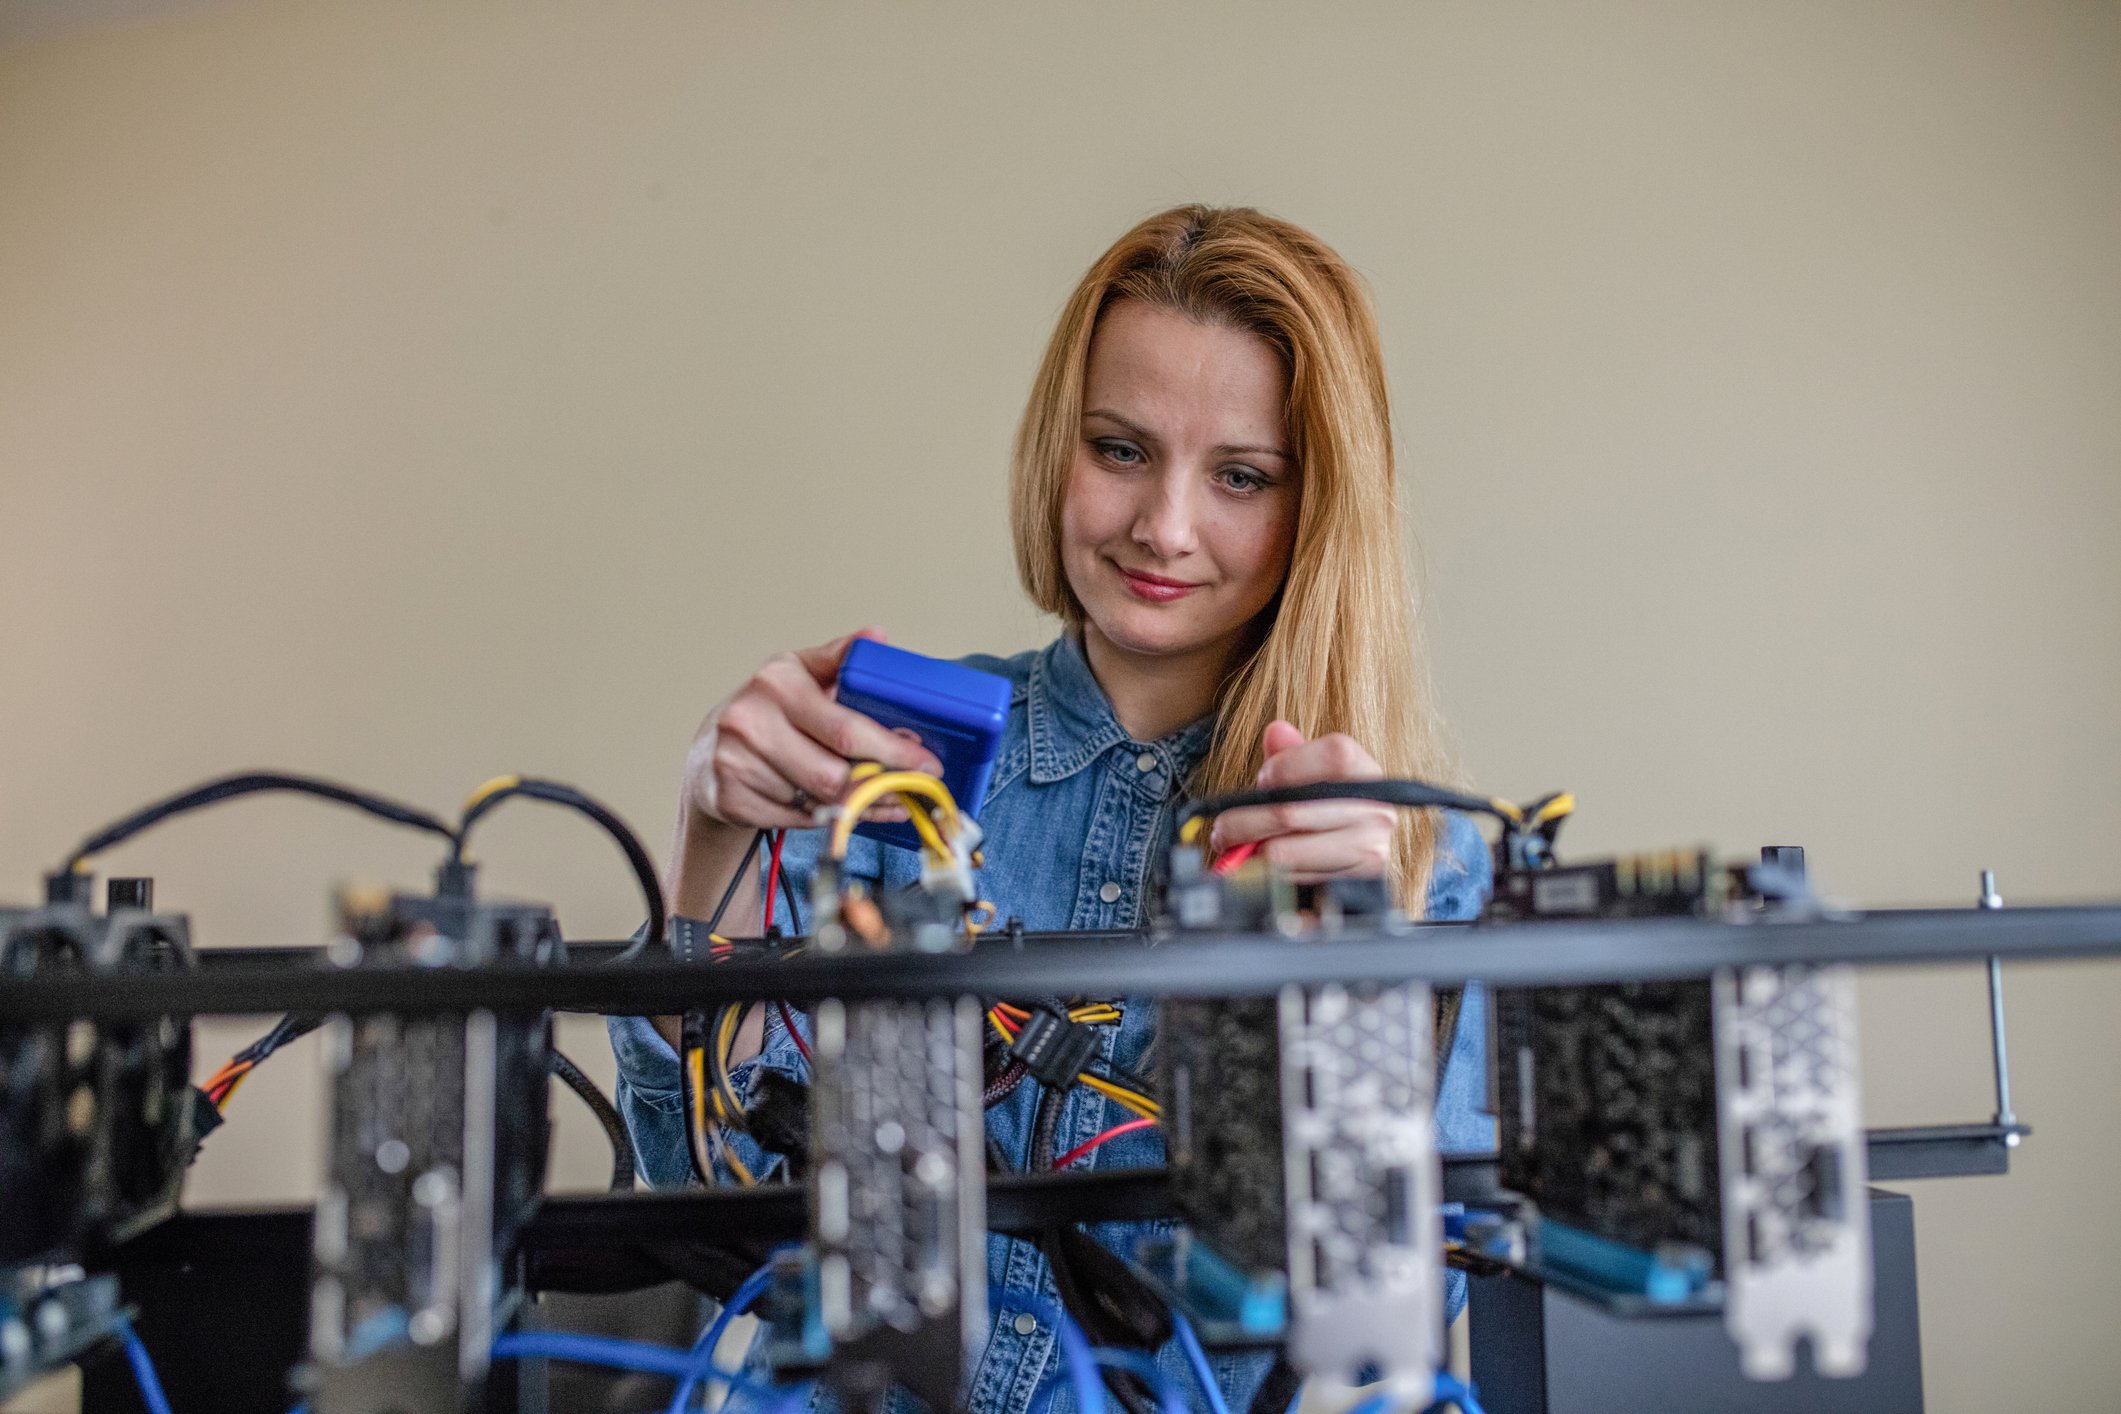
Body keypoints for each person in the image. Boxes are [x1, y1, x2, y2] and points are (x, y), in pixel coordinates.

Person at [609, 205, 1495, 1413]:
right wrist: (708, 845)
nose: (1163, 527)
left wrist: (1351, 991)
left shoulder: (1403, 857)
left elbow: (1403, 1312)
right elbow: (707, 1205)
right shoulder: (886, 771)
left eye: (1240, 475)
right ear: (1054, 449)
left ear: (1317, 509)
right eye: (1120, 449)